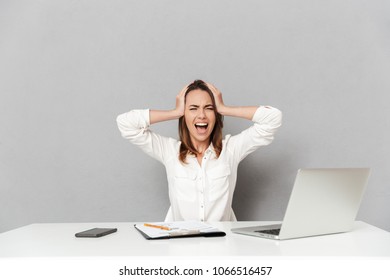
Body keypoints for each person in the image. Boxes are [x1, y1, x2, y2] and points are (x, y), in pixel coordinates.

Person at [116, 80, 282, 222]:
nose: (201, 115)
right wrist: (174, 112)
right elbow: (126, 123)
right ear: (184, 115)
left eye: (208, 108)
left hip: (223, 247)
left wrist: (224, 109)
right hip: (180, 248)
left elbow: (273, 119)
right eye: (193, 108)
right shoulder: (169, 151)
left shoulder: (231, 150)